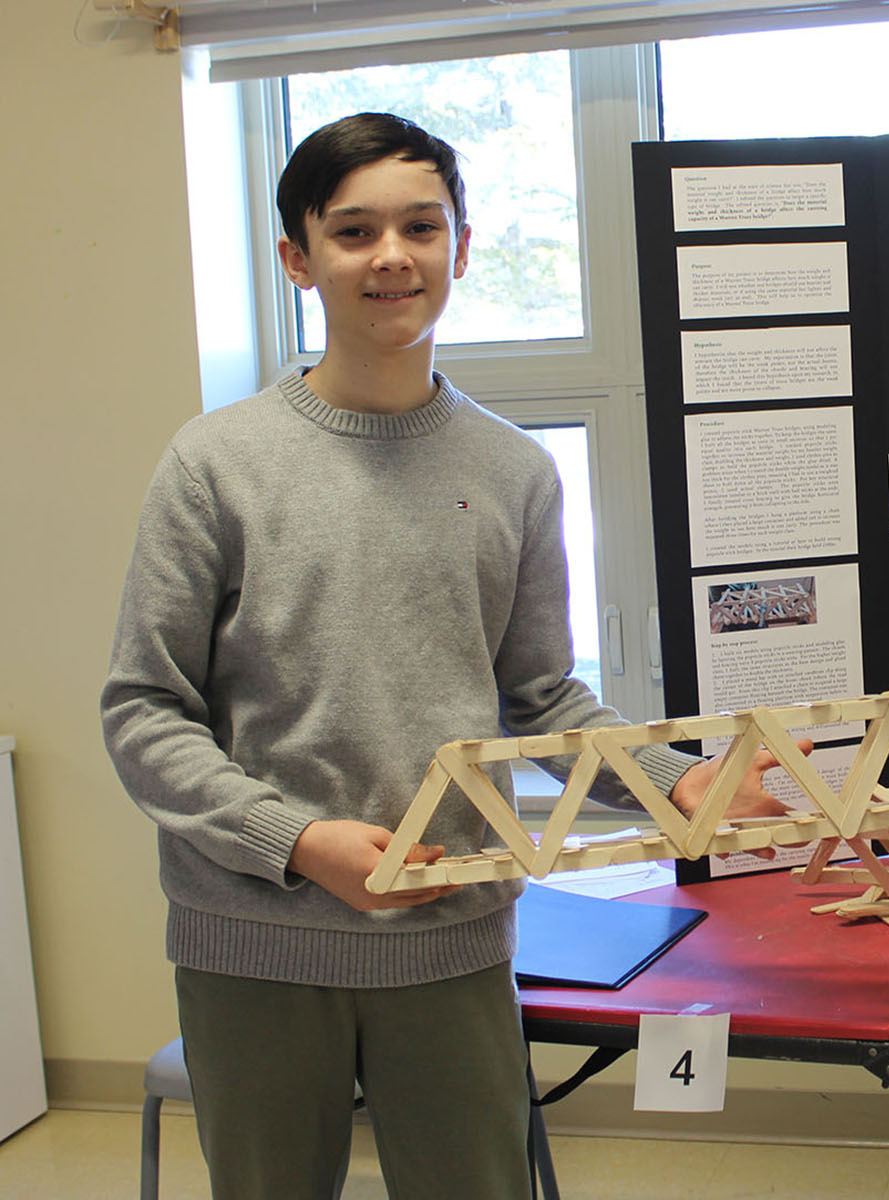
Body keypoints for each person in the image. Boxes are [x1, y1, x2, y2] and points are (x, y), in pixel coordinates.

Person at [101, 111, 795, 1199]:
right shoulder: (214, 466)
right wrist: (298, 841)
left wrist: (679, 783)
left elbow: (543, 696)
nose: (391, 257)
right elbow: (144, 710)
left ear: (461, 248)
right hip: (256, 944)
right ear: (299, 257)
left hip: (453, 943)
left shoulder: (514, 472)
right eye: (354, 231)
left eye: (421, 227)